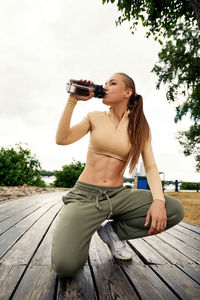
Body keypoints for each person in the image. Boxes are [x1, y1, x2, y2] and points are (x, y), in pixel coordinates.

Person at [51, 72, 185, 278]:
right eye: (104, 83)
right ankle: (79, 232)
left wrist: (158, 200)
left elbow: (150, 167)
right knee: (65, 267)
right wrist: (73, 100)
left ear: (127, 92)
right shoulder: (94, 117)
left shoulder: (139, 126)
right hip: (85, 197)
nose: (105, 86)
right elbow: (62, 139)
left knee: (173, 209)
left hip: (118, 196)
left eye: (112, 83)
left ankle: (114, 233)